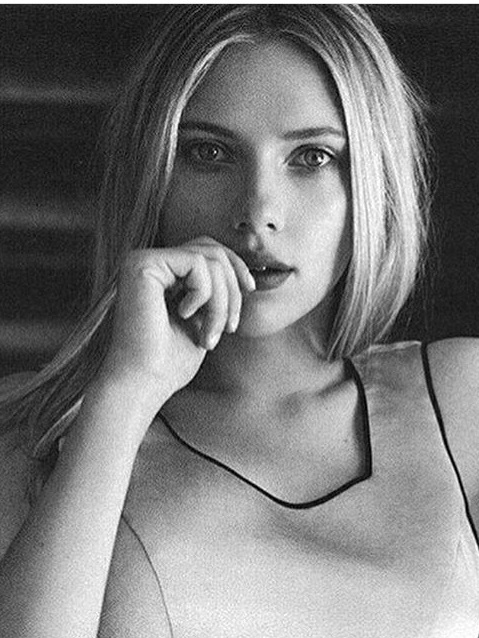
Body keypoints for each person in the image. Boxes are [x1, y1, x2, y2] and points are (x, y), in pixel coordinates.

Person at [0, 5, 478, 637]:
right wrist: (124, 396)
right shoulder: (29, 435)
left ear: (374, 179)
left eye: (312, 157)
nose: (258, 210)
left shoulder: (462, 401)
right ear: (152, 173)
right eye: (210, 152)